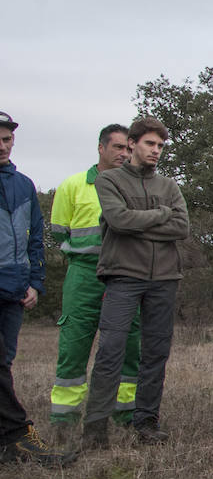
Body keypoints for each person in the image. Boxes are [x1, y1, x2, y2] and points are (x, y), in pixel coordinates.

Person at [82, 117, 190, 449]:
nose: (156, 151)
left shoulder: (169, 186)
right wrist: (160, 215)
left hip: (164, 278)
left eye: (160, 146)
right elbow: (118, 219)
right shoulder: (109, 180)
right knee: (111, 350)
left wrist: (139, 222)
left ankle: (146, 422)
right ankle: (96, 430)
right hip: (123, 275)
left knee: (156, 352)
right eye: (149, 144)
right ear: (132, 144)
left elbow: (182, 227)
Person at [48, 124, 140, 426]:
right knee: (74, 342)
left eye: (128, 148)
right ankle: (64, 418)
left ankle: (125, 412)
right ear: (101, 148)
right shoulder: (73, 185)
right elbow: (59, 232)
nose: (124, 154)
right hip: (84, 272)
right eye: (118, 148)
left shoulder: (137, 184)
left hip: (125, 273)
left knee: (130, 343)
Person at [0, 111, 75, 467]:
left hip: (14, 289)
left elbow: (35, 238)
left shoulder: (24, 184)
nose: (3, 145)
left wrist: (35, 282)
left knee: (5, 364)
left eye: (7, 138)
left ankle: (7, 444)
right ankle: (18, 435)